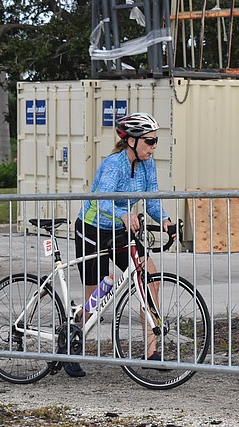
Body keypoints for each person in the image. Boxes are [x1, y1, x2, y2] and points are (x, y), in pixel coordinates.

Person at [69, 112, 175, 377]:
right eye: (149, 141)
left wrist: (165, 221)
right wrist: (123, 215)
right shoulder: (114, 164)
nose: (153, 147)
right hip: (92, 229)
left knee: (150, 279)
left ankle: (151, 352)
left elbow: (151, 200)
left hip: (120, 231)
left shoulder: (147, 165)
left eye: (155, 141)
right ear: (131, 141)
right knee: (97, 298)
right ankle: (71, 343)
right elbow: (102, 200)